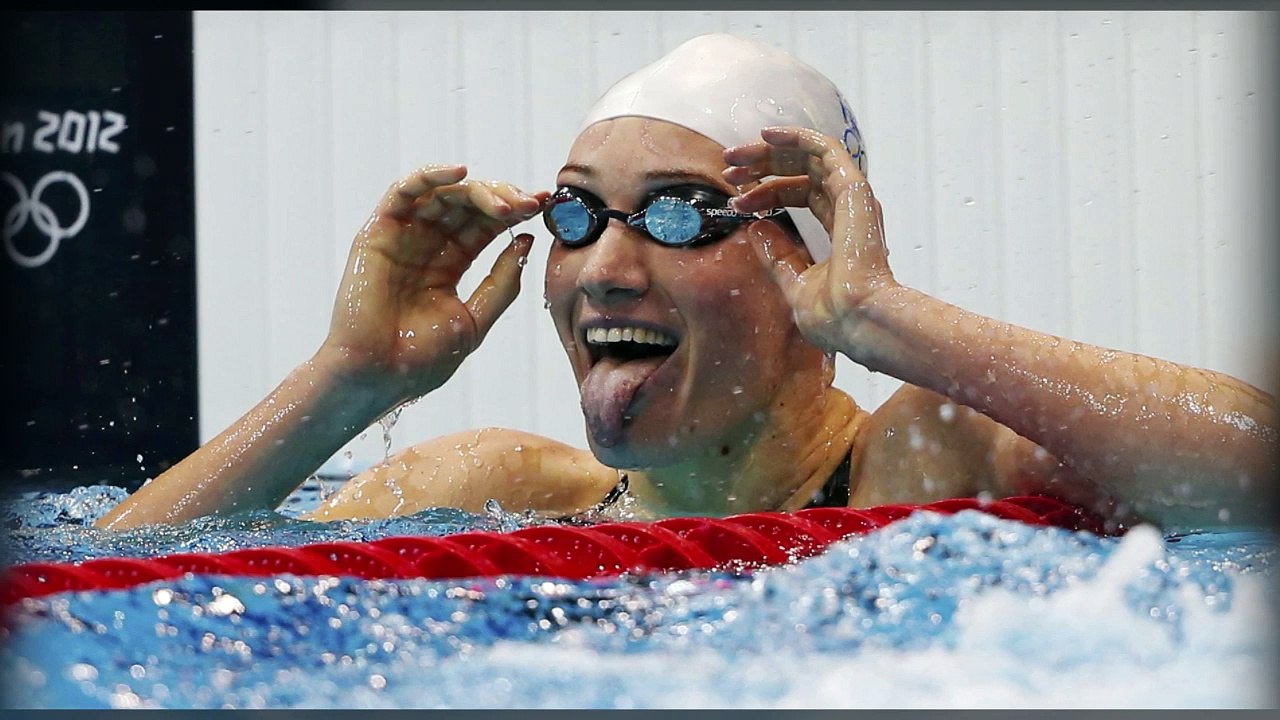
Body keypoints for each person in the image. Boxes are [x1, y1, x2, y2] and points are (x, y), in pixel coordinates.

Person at [97, 34, 1276, 533]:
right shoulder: (494, 488)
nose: (606, 268)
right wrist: (347, 382)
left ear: (805, 257)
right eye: (574, 212)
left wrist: (886, 320)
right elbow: (89, 593)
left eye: (678, 215)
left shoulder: (927, 461)